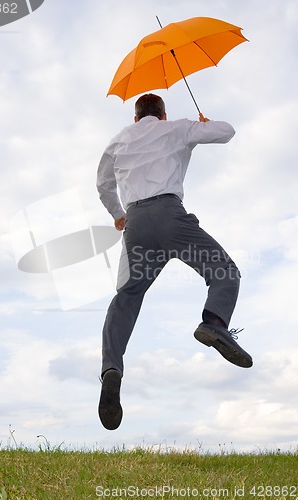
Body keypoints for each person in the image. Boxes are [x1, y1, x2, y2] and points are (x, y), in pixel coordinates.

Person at [96, 93, 252, 431]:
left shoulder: (119, 139)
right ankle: (213, 324)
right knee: (224, 272)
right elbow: (227, 132)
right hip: (171, 217)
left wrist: (119, 215)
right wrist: (205, 124)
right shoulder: (178, 128)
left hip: (136, 224)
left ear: (136, 118)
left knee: (127, 297)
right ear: (162, 115)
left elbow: (103, 184)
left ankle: (111, 368)